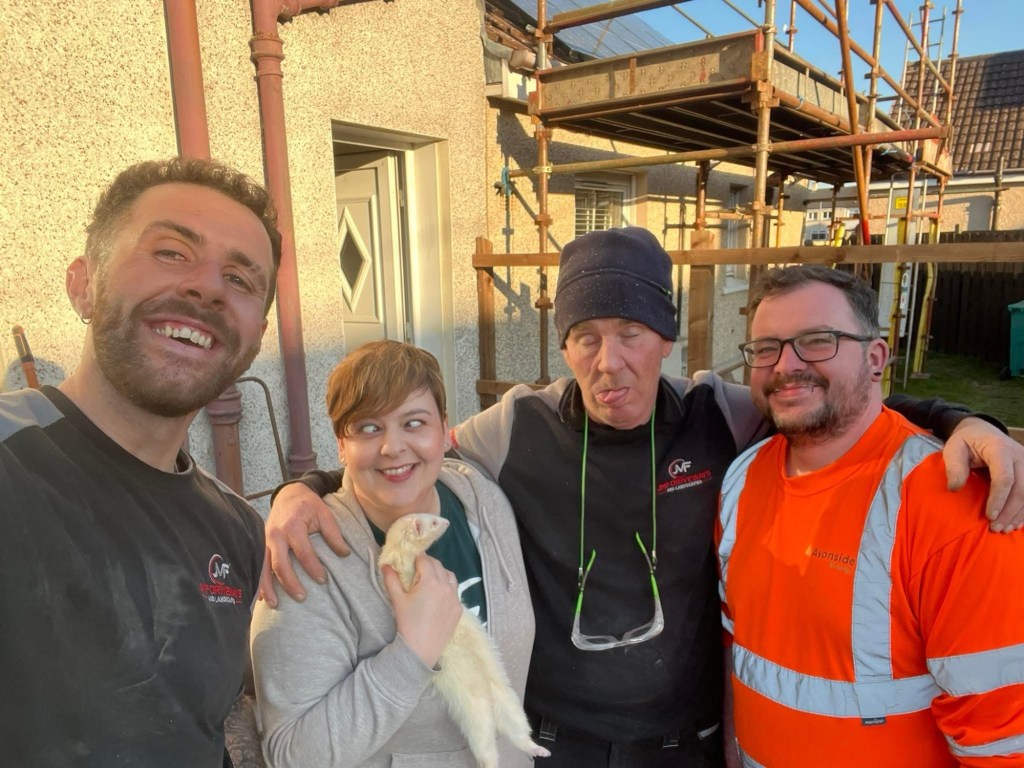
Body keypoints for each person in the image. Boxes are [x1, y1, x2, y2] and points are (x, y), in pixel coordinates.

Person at [264, 228, 1024, 768]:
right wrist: (304, 488)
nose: (609, 361)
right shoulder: (515, 428)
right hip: (555, 743)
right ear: (564, 346)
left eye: (631, 331)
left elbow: (824, 398)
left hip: (683, 746)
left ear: (667, 337)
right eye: (585, 335)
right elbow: (407, 454)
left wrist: (959, 419)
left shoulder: (721, 415)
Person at [0, 157, 280, 767]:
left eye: (240, 279)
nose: (208, 287)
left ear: (256, 335)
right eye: (172, 252)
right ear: (85, 284)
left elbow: (203, 726)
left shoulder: (235, 529)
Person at [717, 265, 1024, 766]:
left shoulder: (954, 503)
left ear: (876, 358)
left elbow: (1005, 740)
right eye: (766, 348)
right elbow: (740, 648)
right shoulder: (741, 480)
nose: (786, 365)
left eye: (817, 341)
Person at [250, 340, 535, 767]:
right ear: (341, 445)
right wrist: (412, 654)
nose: (392, 447)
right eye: (368, 428)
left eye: (414, 422)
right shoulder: (307, 560)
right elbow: (292, 755)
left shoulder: (485, 501)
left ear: (444, 429)